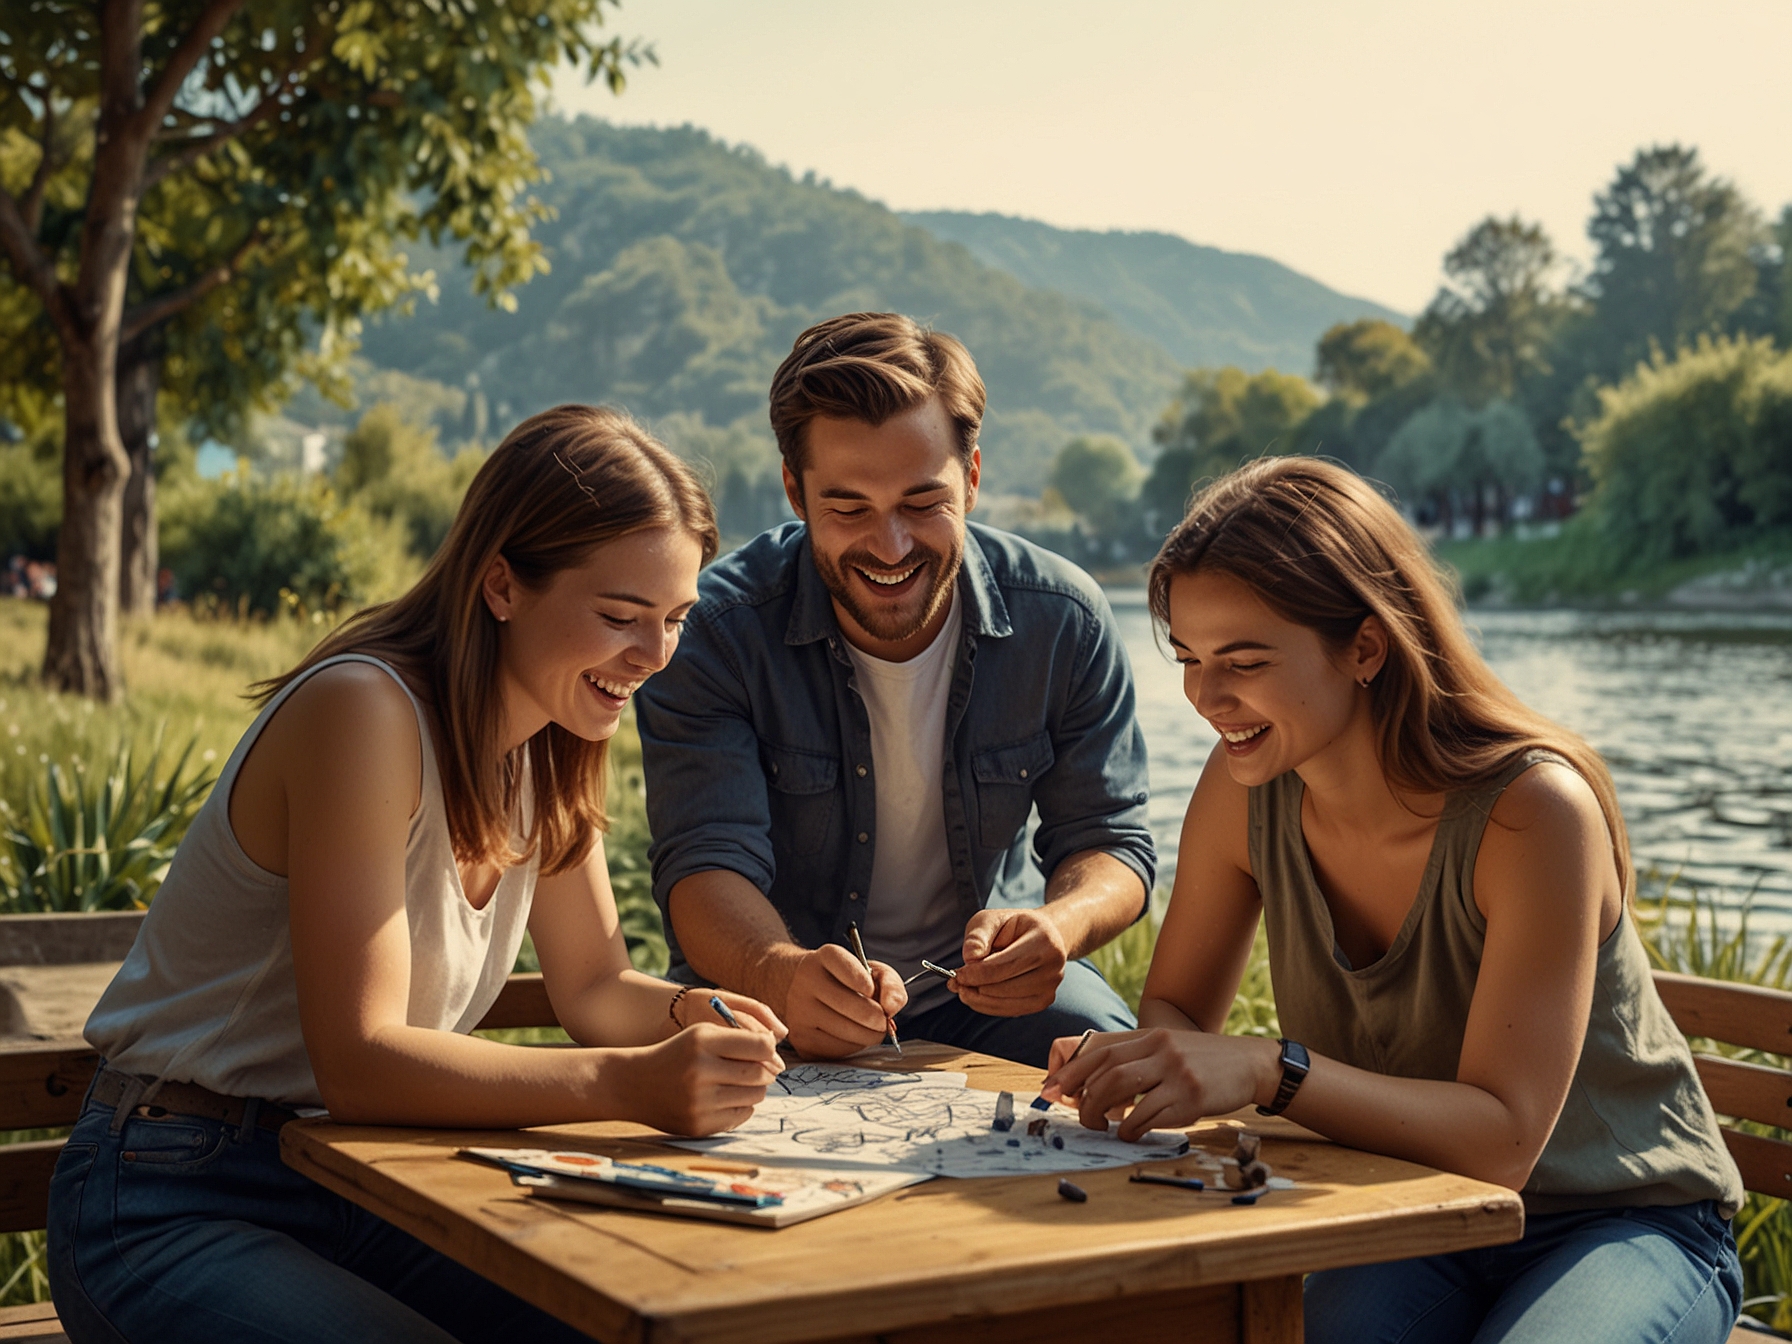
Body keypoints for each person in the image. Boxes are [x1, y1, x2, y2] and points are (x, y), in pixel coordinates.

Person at [47, 406, 787, 1344]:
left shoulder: (548, 752)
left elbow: (597, 987)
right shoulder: (365, 711)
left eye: (675, 619)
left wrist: (718, 1013)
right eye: (619, 616)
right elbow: (360, 1061)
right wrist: (633, 1086)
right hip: (172, 1191)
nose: (652, 655)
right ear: (501, 585)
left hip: (368, 1185)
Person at [1042, 457, 1745, 1344]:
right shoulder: (1243, 788)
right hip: (1405, 1212)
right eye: (1188, 657)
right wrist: (1154, 1065)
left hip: (1622, 1221)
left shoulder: (1534, 814)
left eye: (1245, 660)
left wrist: (1269, 1070)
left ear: (1365, 647)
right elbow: (1177, 1007)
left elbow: (1504, 1142)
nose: (1205, 698)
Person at [635, 312, 1154, 1067]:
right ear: (794, 489)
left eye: (922, 502)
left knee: (1111, 1071)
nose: (891, 545)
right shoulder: (714, 632)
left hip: (990, 1003)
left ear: (972, 479)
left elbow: (1111, 841)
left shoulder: (1065, 619)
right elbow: (704, 866)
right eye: (849, 508)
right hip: (774, 995)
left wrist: (1062, 927)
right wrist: (778, 975)